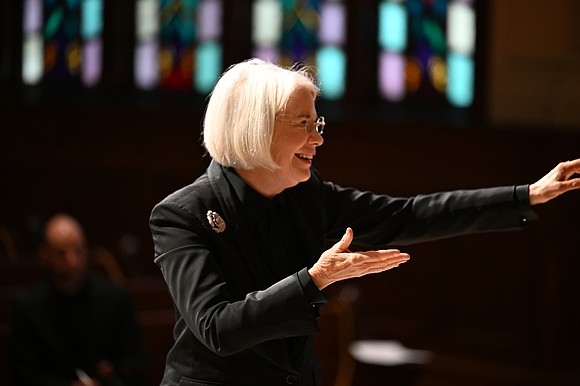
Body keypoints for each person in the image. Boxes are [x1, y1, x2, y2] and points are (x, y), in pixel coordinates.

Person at [149, 58, 580, 386]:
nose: (318, 139)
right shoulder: (182, 215)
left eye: (317, 123)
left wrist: (526, 194)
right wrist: (313, 280)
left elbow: (407, 215)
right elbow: (217, 328)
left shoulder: (305, 194)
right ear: (255, 128)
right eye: (304, 124)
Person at [11, 213, 146, 386]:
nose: (72, 261)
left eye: (78, 250)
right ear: (45, 254)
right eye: (61, 253)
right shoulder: (27, 307)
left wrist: (111, 377)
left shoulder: (115, 297)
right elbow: (25, 375)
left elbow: (135, 362)